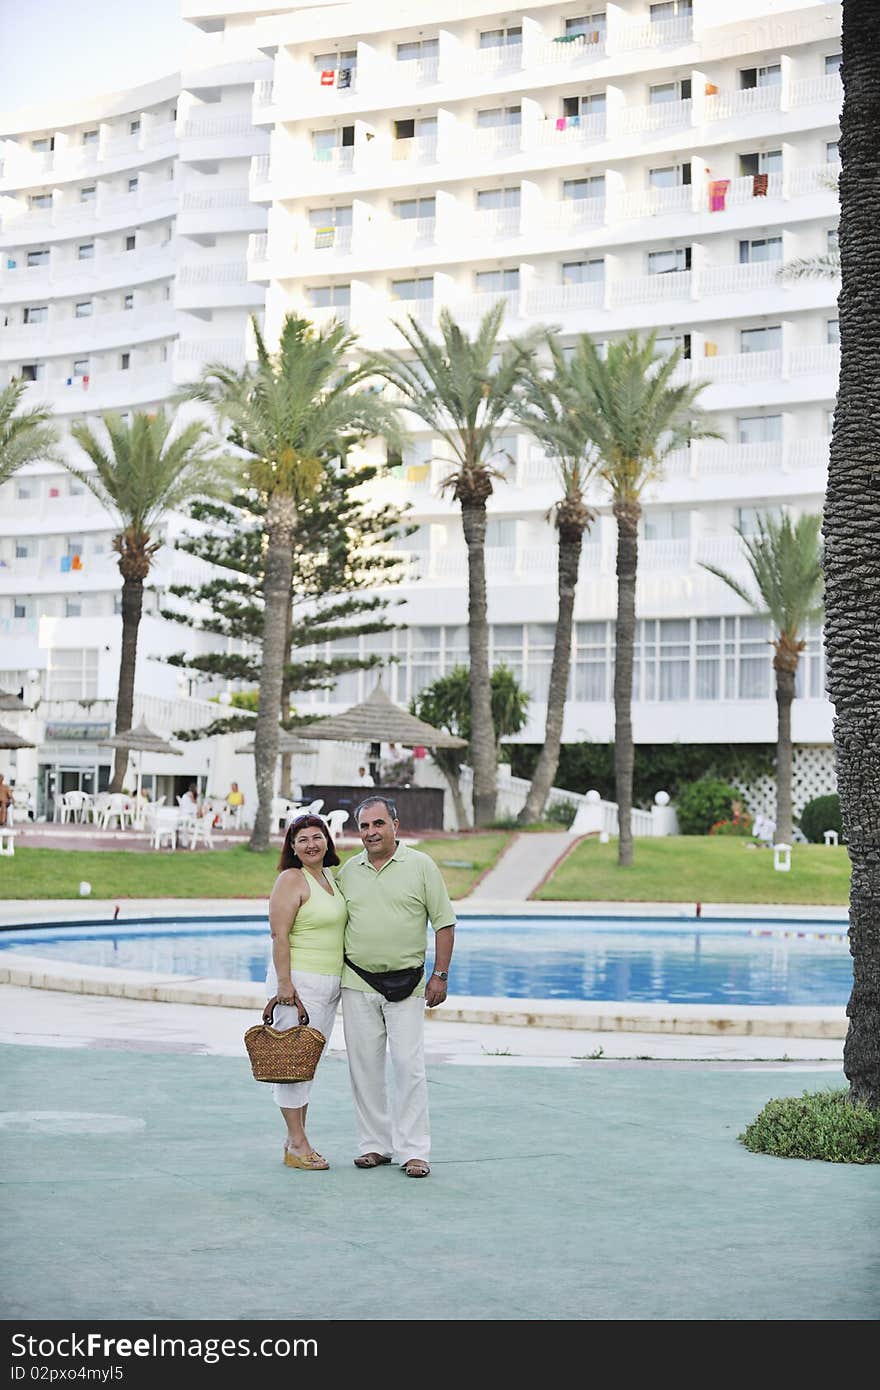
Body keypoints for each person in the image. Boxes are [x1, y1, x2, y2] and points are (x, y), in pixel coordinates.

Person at [337, 795, 455, 1179]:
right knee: (364, 1068)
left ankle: (414, 1151)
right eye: (365, 826)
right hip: (358, 981)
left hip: (409, 983)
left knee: (409, 1066)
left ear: (395, 825)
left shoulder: (421, 866)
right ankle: (374, 1145)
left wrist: (440, 974)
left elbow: (444, 922)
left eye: (378, 824)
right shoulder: (348, 871)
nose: (371, 832)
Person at [262, 813, 347, 1171]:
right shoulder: (291, 880)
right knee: (291, 1064)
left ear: (327, 841)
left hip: (328, 984)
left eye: (317, 837)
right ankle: (297, 1144)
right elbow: (279, 935)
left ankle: (295, 1139)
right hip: (297, 985)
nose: (311, 844)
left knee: (306, 1065)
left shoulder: (329, 877)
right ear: (292, 849)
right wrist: (284, 986)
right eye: (302, 840)